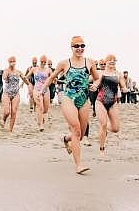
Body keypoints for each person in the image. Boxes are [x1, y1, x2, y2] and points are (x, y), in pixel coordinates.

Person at [43, 36, 100, 174]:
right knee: (76, 129)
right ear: (72, 47)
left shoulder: (90, 62)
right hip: (68, 98)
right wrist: (43, 89)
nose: (80, 48)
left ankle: (66, 139)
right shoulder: (64, 63)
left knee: (79, 135)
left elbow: (98, 78)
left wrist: (95, 85)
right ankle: (79, 165)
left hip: (83, 99)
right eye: (77, 46)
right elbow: (52, 77)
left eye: (82, 46)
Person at [92, 54, 124, 153]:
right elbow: (96, 83)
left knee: (115, 129)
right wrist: (94, 86)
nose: (112, 61)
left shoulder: (118, 74)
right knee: (103, 124)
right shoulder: (101, 73)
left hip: (113, 102)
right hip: (100, 101)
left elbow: (123, 86)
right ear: (106, 62)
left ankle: (104, 126)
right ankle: (102, 149)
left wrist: (125, 89)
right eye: (109, 59)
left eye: (114, 60)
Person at [0, 56, 30, 132]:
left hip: (16, 94)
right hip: (7, 93)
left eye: (14, 61)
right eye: (11, 61)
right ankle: (3, 119)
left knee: (14, 111)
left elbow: (27, 82)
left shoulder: (18, 72)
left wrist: (25, 79)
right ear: (8, 62)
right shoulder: (6, 70)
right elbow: (4, 78)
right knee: (7, 112)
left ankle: (10, 130)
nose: (12, 62)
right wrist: (7, 72)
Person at [27, 55, 51, 131]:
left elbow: (52, 78)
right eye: (42, 62)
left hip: (46, 90)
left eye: (45, 62)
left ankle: (39, 117)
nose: (43, 63)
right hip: (37, 90)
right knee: (40, 106)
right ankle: (41, 125)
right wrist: (25, 83)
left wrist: (55, 81)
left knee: (45, 109)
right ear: (39, 61)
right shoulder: (34, 69)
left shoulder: (49, 70)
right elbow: (26, 77)